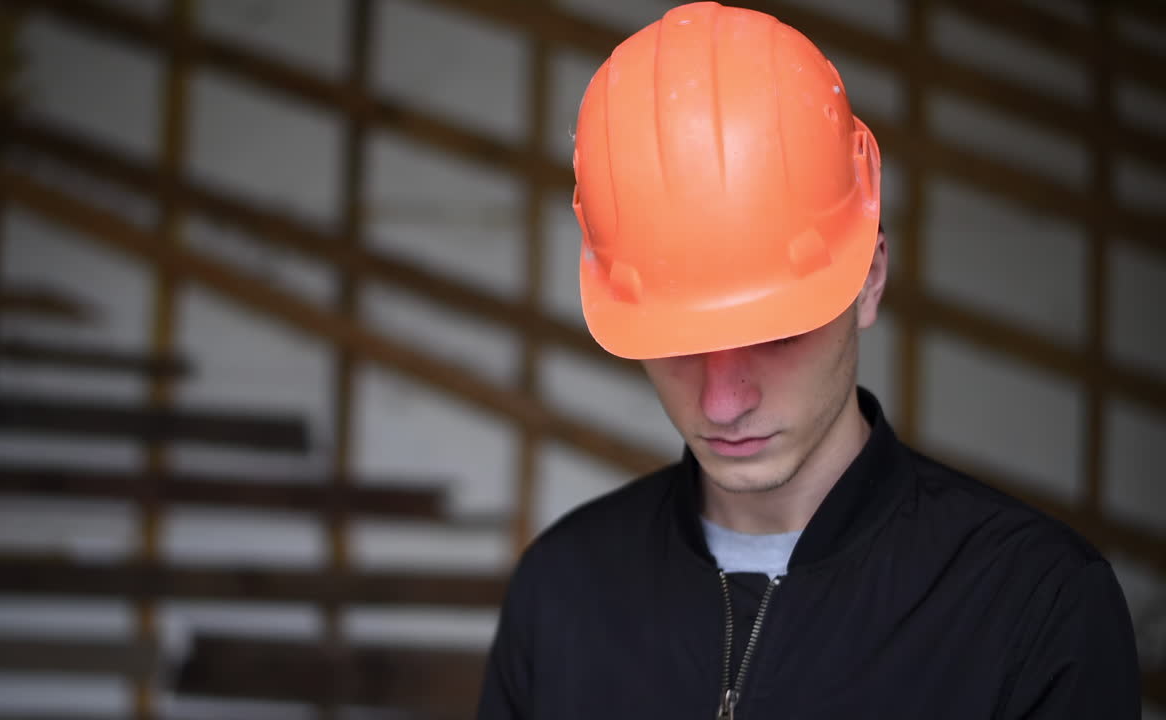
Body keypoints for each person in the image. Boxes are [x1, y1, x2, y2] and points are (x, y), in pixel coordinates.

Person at [476, 3, 1141, 719]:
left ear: (869, 280)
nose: (723, 401)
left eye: (776, 332)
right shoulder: (561, 593)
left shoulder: (1033, 606)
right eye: (679, 342)